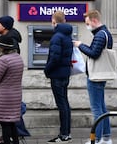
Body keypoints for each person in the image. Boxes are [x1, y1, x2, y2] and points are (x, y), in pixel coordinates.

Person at [73, 10, 113, 144]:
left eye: (88, 23)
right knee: (102, 108)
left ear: (94, 21)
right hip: (100, 75)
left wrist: (80, 45)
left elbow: (94, 53)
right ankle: (106, 137)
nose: (87, 26)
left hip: (95, 76)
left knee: (97, 109)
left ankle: (96, 139)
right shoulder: (105, 33)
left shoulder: (100, 35)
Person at [0, 35, 24, 144]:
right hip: (15, 95)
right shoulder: (17, 57)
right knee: (11, 123)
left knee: (5, 124)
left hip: (4, 97)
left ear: (3, 48)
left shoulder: (3, 60)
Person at [45, 11, 73, 144]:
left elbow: (55, 58)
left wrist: (47, 69)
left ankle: (64, 135)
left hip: (56, 75)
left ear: (54, 21)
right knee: (65, 104)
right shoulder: (67, 35)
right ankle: (66, 133)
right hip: (65, 74)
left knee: (62, 105)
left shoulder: (57, 37)